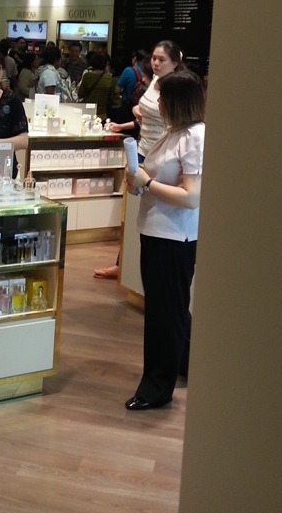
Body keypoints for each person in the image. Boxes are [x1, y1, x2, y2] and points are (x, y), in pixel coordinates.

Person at [124, 70, 205, 411]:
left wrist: (148, 183)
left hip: (175, 237)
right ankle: (181, 364)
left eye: (163, 98)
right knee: (167, 311)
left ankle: (157, 387)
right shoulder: (173, 132)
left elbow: (191, 197)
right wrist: (138, 182)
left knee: (165, 315)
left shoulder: (195, 137)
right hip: (156, 231)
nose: (157, 104)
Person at [94, 40, 185, 279]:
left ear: (175, 62)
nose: (155, 63)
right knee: (130, 211)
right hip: (142, 150)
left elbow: (176, 121)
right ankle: (124, 265)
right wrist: (131, 118)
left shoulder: (176, 88)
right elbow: (146, 116)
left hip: (162, 154)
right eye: (154, 58)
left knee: (151, 211)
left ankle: (131, 269)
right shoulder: (154, 81)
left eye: (162, 59)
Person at [113, 49, 147, 123]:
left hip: (127, 105)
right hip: (142, 106)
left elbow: (117, 90)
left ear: (134, 58)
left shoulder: (128, 70)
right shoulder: (147, 72)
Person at [77, 51, 113, 120]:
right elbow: (110, 96)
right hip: (102, 114)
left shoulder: (87, 76)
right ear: (105, 64)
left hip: (88, 113)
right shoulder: (109, 78)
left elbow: (80, 93)